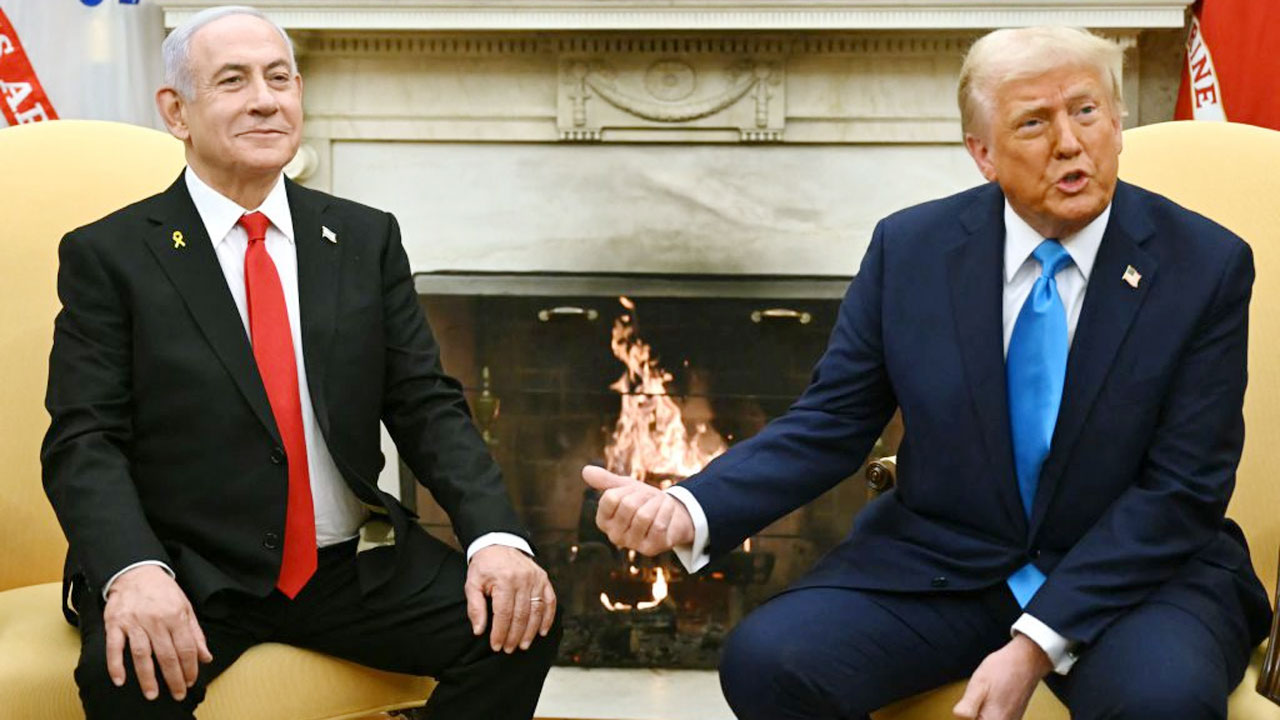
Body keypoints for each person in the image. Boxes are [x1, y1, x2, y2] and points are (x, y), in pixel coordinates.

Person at [584, 25, 1271, 720]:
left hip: (1140, 579)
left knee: (1163, 704)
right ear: (982, 153)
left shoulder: (1203, 265)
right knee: (769, 661)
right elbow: (831, 422)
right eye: (1034, 122)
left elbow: (1182, 490)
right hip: (948, 566)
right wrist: (689, 507)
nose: (1069, 142)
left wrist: (1034, 644)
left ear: (1118, 122)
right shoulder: (911, 249)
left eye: (1086, 111)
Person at [41, 6, 559, 718]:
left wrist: (495, 538)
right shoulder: (112, 255)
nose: (265, 99)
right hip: (190, 566)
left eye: (279, 78)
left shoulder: (364, 238)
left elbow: (425, 404)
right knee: (128, 674)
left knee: (522, 625)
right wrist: (133, 569)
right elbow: (84, 438)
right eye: (233, 81)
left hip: (346, 566)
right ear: (176, 111)